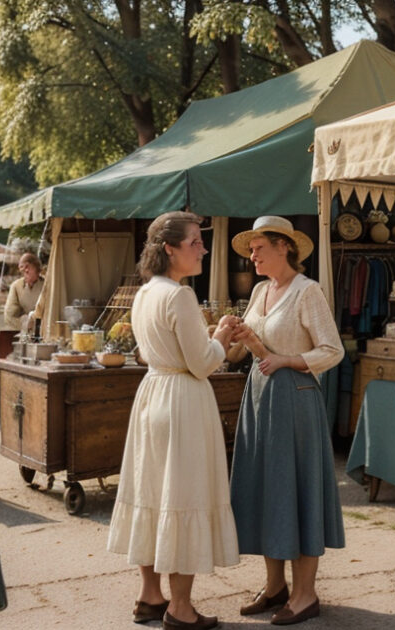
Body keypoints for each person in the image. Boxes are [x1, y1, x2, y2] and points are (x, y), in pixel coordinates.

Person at [106, 211, 239, 630]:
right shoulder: (179, 296)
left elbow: (147, 353)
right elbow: (201, 364)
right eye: (195, 242)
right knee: (184, 495)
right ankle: (180, 608)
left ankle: (149, 595)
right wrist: (219, 336)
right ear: (170, 249)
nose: (202, 248)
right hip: (181, 399)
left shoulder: (147, 292)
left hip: (153, 394)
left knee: (152, 490)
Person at [225, 216, 345, 626]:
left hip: (295, 400)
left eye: (258, 247)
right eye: (251, 249)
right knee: (265, 488)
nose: (252, 255)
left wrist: (288, 360)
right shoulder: (260, 291)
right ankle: (275, 586)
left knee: (298, 489)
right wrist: (234, 335)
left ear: (284, 248)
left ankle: (306, 593)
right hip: (259, 398)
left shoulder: (307, 291)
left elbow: (332, 350)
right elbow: (246, 354)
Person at [4, 253, 44, 331]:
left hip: (43, 329)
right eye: (24, 269)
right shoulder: (16, 286)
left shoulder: (46, 286)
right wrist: (25, 323)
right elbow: (10, 315)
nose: (26, 271)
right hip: (23, 331)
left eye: (28, 268)